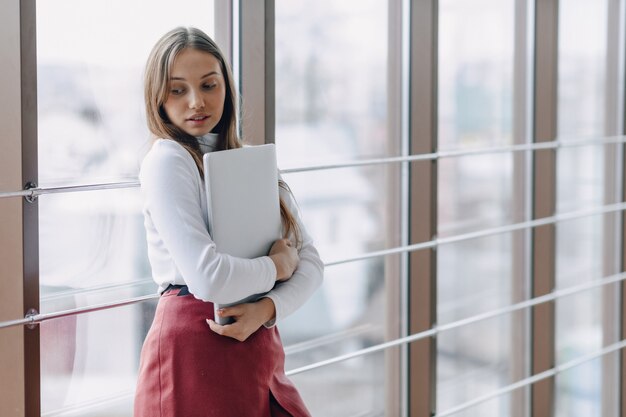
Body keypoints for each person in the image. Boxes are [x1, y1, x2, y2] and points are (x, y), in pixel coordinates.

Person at [134, 26, 324, 417]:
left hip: (257, 337)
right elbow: (207, 278)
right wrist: (276, 267)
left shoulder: (251, 161)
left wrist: (268, 308)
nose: (196, 102)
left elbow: (312, 263)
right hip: (194, 344)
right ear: (158, 97)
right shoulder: (168, 160)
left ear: (227, 87)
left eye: (209, 85)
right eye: (177, 90)